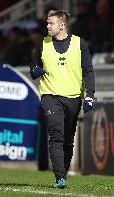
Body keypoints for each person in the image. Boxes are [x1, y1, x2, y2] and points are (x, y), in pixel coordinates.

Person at [29, 10, 95, 188]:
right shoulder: (42, 44)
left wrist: (89, 95)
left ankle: (63, 173)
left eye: (51, 23)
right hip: (50, 96)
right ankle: (59, 178)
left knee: (68, 140)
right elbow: (34, 64)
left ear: (62, 25)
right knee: (56, 136)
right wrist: (34, 70)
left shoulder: (79, 43)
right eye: (47, 23)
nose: (48, 26)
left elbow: (88, 71)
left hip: (74, 97)